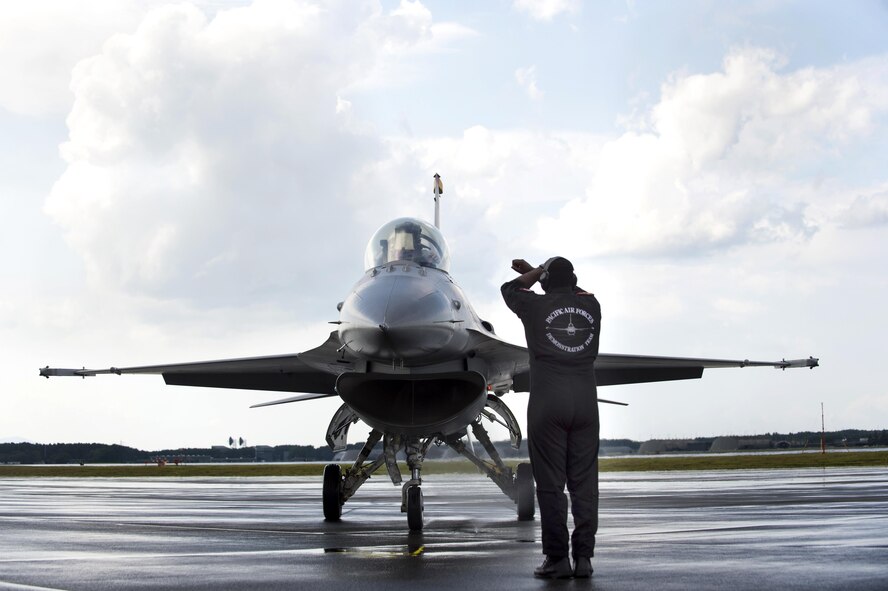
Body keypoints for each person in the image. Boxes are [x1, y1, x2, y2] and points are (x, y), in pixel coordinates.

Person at [501, 256, 601, 579]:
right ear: (573, 281)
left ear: (545, 283)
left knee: (551, 485)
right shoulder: (592, 306)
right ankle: (583, 559)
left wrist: (535, 272)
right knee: (585, 485)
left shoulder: (534, 306)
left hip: (548, 403)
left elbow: (509, 289)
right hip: (585, 404)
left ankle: (558, 560)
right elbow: (577, 293)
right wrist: (548, 274)